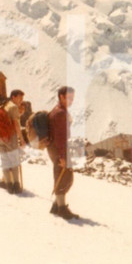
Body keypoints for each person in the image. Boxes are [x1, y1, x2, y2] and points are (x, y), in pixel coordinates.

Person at [47, 86, 77, 219]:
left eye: (72, 98)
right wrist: (62, 156)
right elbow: (60, 137)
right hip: (59, 149)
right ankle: (61, 208)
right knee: (64, 177)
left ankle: (56, 205)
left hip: (55, 148)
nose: (71, 101)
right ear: (61, 97)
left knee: (62, 176)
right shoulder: (60, 113)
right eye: (69, 98)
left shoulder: (57, 110)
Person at [0, 89, 27, 194]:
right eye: (20, 98)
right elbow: (16, 125)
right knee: (14, 161)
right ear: (13, 97)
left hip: (0, 137)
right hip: (10, 138)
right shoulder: (13, 107)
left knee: (5, 161)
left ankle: (9, 185)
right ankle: (16, 186)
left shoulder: (5, 105)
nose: (21, 100)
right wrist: (21, 139)